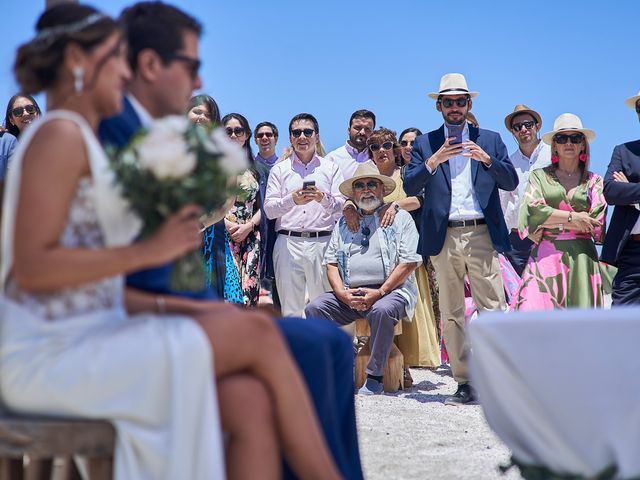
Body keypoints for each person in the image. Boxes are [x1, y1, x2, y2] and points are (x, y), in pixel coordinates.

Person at [98, 4, 362, 478]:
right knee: (290, 353)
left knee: (326, 346)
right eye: (188, 67)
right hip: (139, 309)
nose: (196, 85)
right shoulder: (108, 142)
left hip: (177, 292)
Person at [404, 73, 518, 405]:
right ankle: (464, 381)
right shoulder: (426, 142)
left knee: (493, 308)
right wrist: (433, 160)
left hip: (482, 231)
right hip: (445, 235)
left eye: (460, 101)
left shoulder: (492, 138)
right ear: (439, 106)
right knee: (452, 312)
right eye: (448, 102)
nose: (455, 107)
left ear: (469, 104)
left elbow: (510, 181)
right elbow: (410, 185)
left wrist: (486, 158)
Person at [305, 162, 421, 395]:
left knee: (381, 311)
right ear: (353, 193)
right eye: (359, 186)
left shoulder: (401, 219)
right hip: (351, 292)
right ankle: (340, 366)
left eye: (371, 184)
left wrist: (380, 292)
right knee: (315, 308)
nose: (366, 189)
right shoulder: (344, 222)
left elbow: (409, 262)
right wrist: (342, 294)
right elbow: (331, 263)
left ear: (381, 190)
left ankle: (375, 377)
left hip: (390, 291)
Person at [511, 113, 608, 310]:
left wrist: (548, 220)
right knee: (532, 316)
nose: (569, 143)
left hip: (582, 261)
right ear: (554, 145)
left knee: (580, 328)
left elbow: (597, 222)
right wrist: (575, 217)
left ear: (583, 145)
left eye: (576, 138)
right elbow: (531, 211)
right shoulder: (539, 176)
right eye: (562, 138)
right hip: (545, 258)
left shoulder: (594, 180)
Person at [366, 128, 440, 374]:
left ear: (394, 148)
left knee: (411, 305)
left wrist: (394, 205)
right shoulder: (367, 177)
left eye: (386, 145)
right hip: (376, 255)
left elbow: (420, 199)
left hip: (405, 253)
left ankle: (409, 360)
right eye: (375, 147)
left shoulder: (406, 173)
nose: (381, 151)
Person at [264, 113, 345, 317]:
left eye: (307, 132)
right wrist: (292, 200)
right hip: (287, 241)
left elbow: (343, 206)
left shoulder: (331, 168)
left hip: (323, 242)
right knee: (291, 309)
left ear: (316, 136)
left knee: (324, 307)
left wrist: (321, 198)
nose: (302, 136)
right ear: (290, 138)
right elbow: (269, 210)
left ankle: (324, 349)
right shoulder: (279, 170)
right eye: (296, 132)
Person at [500, 105, 552, 276]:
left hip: (549, 235)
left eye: (528, 124)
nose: (523, 129)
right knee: (518, 296)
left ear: (537, 126)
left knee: (550, 295)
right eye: (518, 127)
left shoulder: (553, 156)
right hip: (517, 241)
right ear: (513, 132)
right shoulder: (508, 163)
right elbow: (503, 201)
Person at [602, 90, 640, 305]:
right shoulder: (623, 151)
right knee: (622, 323)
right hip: (630, 252)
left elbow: (621, 192)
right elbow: (609, 191)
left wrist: (630, 191)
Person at [222, 113, 261, 306]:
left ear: (246, 135)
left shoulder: (256, 168)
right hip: (221, 234)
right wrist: (225, 223)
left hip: (250, 237)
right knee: (225, 293)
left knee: (248, 294)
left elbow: (264, 206)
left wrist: (249, 227)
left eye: (238, 131)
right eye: (228, 131)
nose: (233, 135)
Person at [253, 121, 280, 306]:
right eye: (260, 135)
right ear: (255, 139)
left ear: (276, 138)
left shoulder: (285, 166)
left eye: (269, 135)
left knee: (280, 281)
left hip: (279, 230)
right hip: (253, 230)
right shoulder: (248, 167)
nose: (264, 138)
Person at [325, 109, 376, 179]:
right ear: (349, 131)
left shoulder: (378, 158)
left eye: (367, 129)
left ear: (372, 133)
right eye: (358, 128)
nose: (362, 132)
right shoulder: (332, 159)